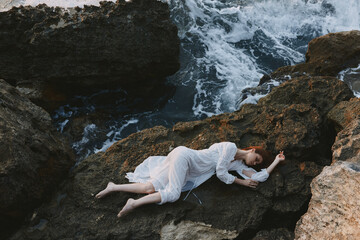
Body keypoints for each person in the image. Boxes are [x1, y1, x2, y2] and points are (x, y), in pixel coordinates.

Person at [95, 142, 285, 217]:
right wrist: (241, 182)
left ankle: (113, 187)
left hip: (185, 166)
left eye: (256, 163)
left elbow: (259, 177)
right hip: (185, 157)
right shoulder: (229, 148)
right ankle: (132, 204)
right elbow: (220, 173)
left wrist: (275, 161)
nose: (253, 164)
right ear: (252, 150)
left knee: (149, 187)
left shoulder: (237, 166)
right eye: (257, 159)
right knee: (173, 193)